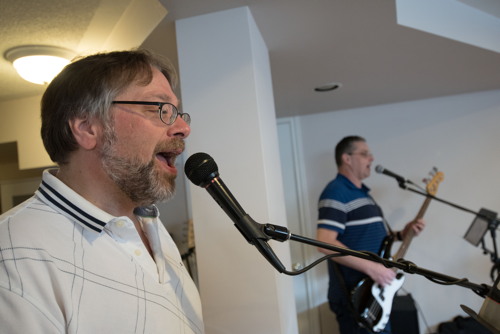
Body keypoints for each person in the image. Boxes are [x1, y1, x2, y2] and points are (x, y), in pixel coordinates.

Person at [0, 50, 204, 333]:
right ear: (87, 128)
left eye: (177, 112)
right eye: (160, 108)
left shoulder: (152, 228)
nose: (183, 128)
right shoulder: (13, 252)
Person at [316, 135, 425, 334]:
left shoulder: (363, 194)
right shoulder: (336, 192)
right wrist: (374, 269)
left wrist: (403, 234)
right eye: (365, 154)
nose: (372, 159)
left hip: (375, 292)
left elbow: (375, 238)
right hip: (356, 297)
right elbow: (324, 242)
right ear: (347, 158)